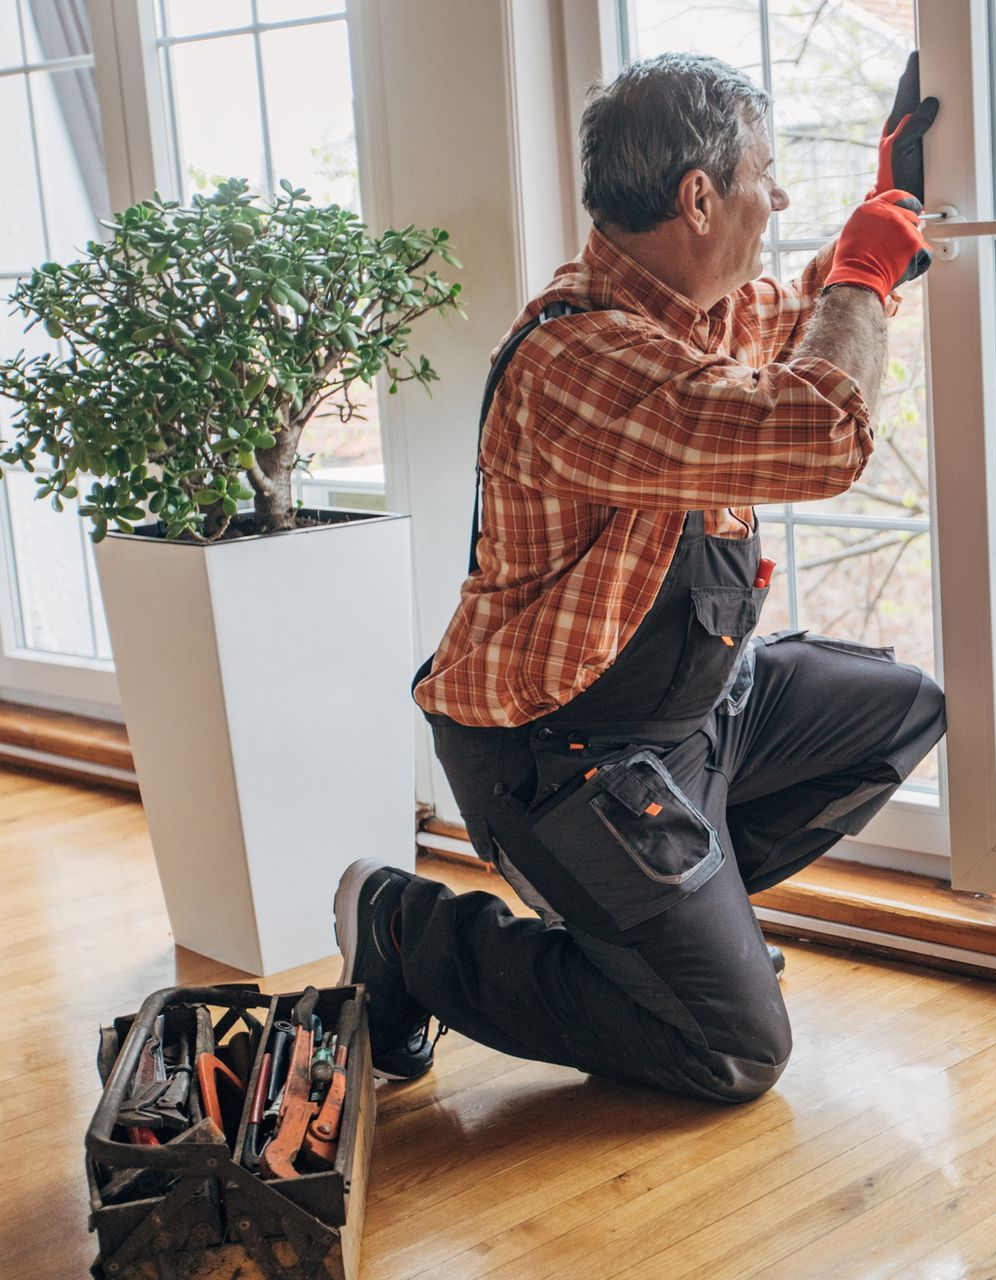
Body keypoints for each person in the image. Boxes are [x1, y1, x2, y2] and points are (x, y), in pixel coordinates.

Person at [330, 51, 946, 1103]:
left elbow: (803, 328)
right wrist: (862, 275)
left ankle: (674, 923)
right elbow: (818, 433)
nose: (777, 199)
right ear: (698, 196)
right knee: (735, 1050)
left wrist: (888, 215)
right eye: (764, 176)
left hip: (689, 719)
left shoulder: (703, 311)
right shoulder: (581, 359)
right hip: (564, 751)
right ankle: (407, 927)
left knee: (899, 711)